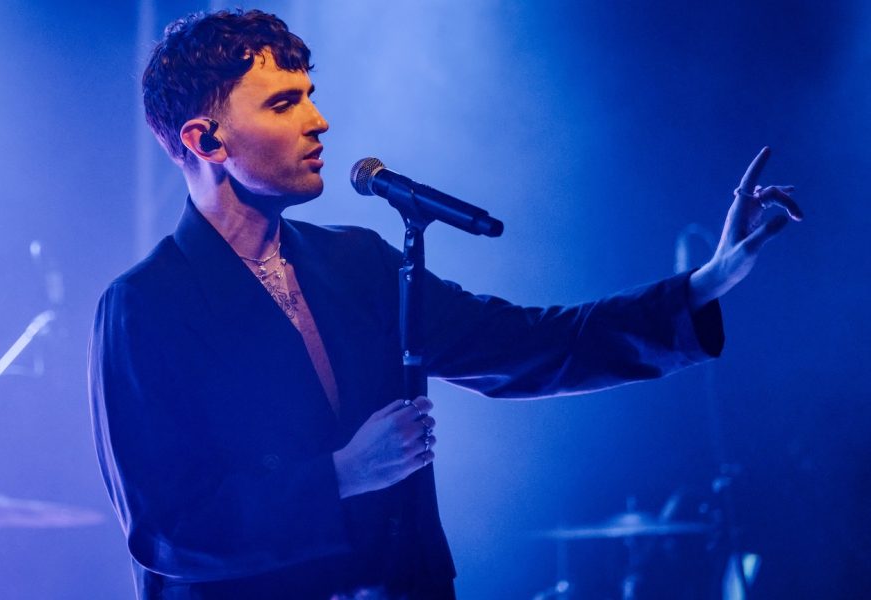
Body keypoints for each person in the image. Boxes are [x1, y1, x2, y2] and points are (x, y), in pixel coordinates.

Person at [87, 9, 803, 600]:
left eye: (309, 93)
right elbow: (166, 529)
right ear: (205, 139)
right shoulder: (145, 307)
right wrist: (338, 476)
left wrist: (703, 286)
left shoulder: (356, 263)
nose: (320, 121)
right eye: (284, 103)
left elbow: (523, 343)